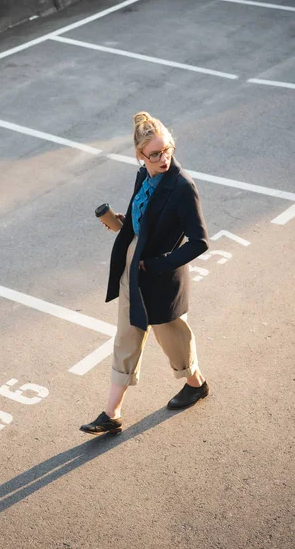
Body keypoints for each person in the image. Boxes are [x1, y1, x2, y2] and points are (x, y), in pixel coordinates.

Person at [80, 111, 210, 436]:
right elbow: (147, 218)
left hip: (162, 281)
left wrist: (159, 263)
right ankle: (112, 412)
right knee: (126, 338)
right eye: (154, 154)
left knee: (174, 340)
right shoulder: (144, 176)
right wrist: (127, 223)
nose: (163, 158)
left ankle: (195, 383)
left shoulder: (182, 187)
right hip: (133, 274)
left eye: (167, 150)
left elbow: (200, 242)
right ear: (141, 156)